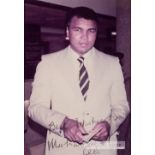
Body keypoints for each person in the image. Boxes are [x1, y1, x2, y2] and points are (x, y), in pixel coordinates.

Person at [28, 6, 129, 155]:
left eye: (91, 31)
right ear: (68, 32)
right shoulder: (48, 63)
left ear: (96, 33)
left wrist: (110, 124)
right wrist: (63, 123)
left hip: (102, 149)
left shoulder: (112, 63)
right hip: (63, 148)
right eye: (78, 30)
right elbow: (35, 108)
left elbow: (121, 106)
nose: (85, 37)